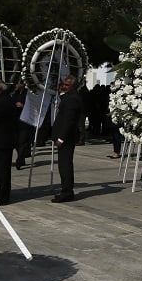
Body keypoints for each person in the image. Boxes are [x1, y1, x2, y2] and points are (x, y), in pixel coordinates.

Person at [50, 75, 84, 203]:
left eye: (67, 85)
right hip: (65, 136)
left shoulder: (72, 100)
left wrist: (61, 138)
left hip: (67, 138)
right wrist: (62, 93)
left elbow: (68, 121)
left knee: (65, 166)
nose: (63, 86)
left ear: (73, 87)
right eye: (63, 84)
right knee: (63, 165)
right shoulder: (69, 98)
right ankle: (66, 190)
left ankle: (67, 192)